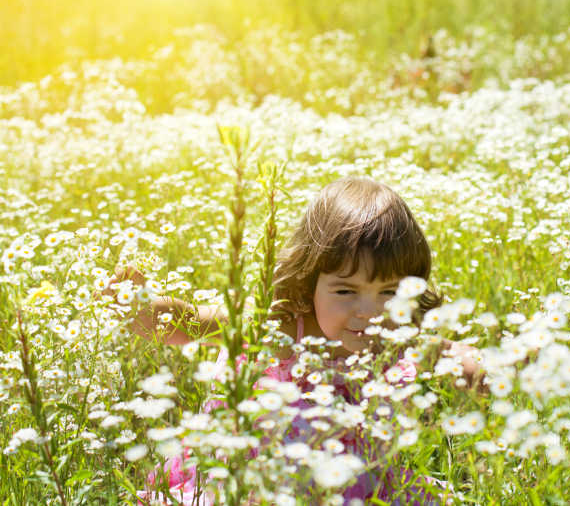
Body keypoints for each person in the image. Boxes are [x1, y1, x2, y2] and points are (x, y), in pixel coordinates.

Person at [106, 177, 480, 505]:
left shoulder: (393, 336)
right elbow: (193, 323)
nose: (369, 312)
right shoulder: (280, 326)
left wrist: (487, 365)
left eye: (388, 292)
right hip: (253, 482)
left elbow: (447, 354)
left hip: (353, 486)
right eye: (346, 290)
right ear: (309, 280)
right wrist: (143, 307)